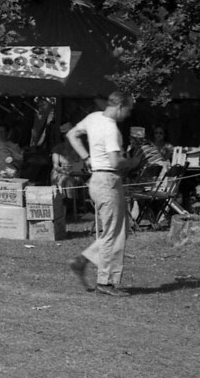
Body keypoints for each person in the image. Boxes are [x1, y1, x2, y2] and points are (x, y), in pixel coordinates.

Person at [67, 92, 139, 297]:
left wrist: (87, 157)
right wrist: (133, 162)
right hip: (108, 180)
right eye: (128, 109)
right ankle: (106, 281)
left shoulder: (93, 118)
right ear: (120, 106)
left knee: (119, 228)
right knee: (113, 233)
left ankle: (81, 261)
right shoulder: (111, 129)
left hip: (98, 180)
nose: (128, 114)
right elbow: (115, 162)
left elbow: (72, 134)